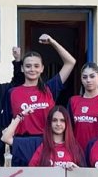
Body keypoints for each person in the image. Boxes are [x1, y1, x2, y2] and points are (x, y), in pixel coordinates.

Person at [6, 35, 76, 166]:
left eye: (36, 66)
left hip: (47, 142)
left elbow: (70, 62)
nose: (32, 69)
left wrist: (53, 42)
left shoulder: (49, 88)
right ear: (22, 68)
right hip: (22, 143)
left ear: (42, 68)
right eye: (28, 66)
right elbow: (7, 122)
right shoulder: (12, 92)